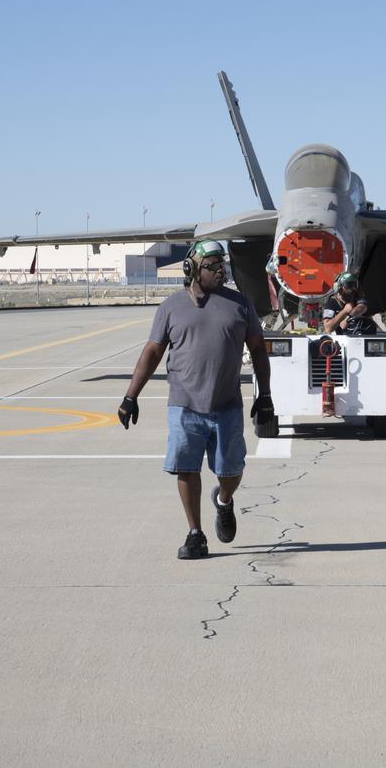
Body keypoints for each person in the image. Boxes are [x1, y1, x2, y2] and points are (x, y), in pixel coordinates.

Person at [117, 240, 273, 560]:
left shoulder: (240, 304)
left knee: (230, 470)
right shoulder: (171, 307)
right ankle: (195, 533)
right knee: (186, 469)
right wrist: (130, 396)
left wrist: (265, 395)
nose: (221, 271)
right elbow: (152, 352)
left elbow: (258, 349)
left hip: (226, 404)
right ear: (192, 269)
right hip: (184, 403)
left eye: (222, 265)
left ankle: (224, 501)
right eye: (213, 265)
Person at [322, 271, 378, 336]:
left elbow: (362, 307)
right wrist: (344, 311)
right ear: (339, 287)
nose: (352, 289)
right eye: (349, 285)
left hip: (363, 334)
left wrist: (348, 318)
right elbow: (328, 328)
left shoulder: (357, 296)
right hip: (342, 339)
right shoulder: (332, 302)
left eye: (354, 285)